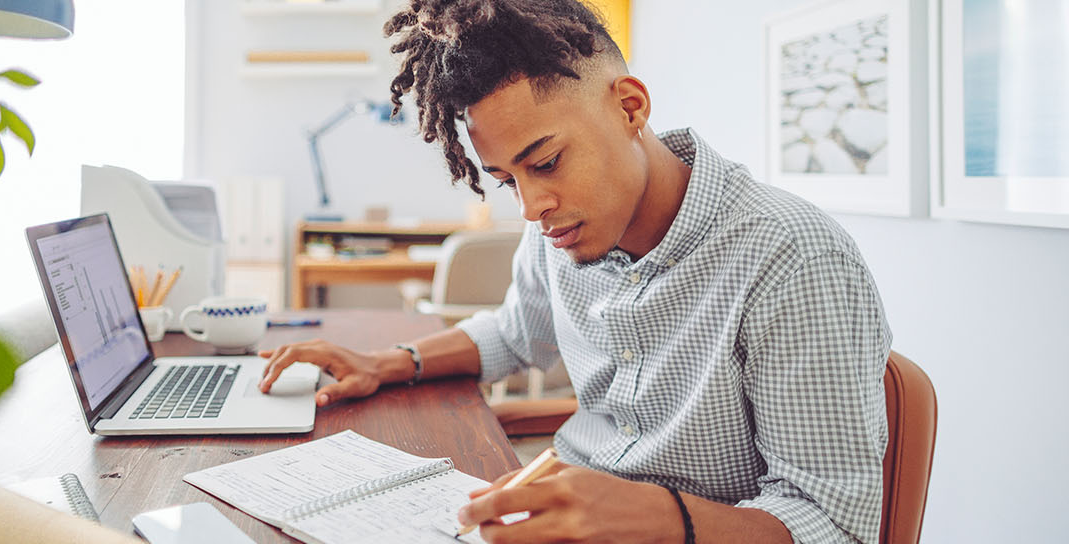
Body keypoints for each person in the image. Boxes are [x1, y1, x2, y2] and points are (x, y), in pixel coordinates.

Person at [254, 0, 892, 542]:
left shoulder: (794, 259)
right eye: (508, 181)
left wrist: (652, 515)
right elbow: (512, 334)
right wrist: (390, 362)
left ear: (630, 107)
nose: (533, 208)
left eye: (548, 162)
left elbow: (833, 522)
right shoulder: (560, 230)